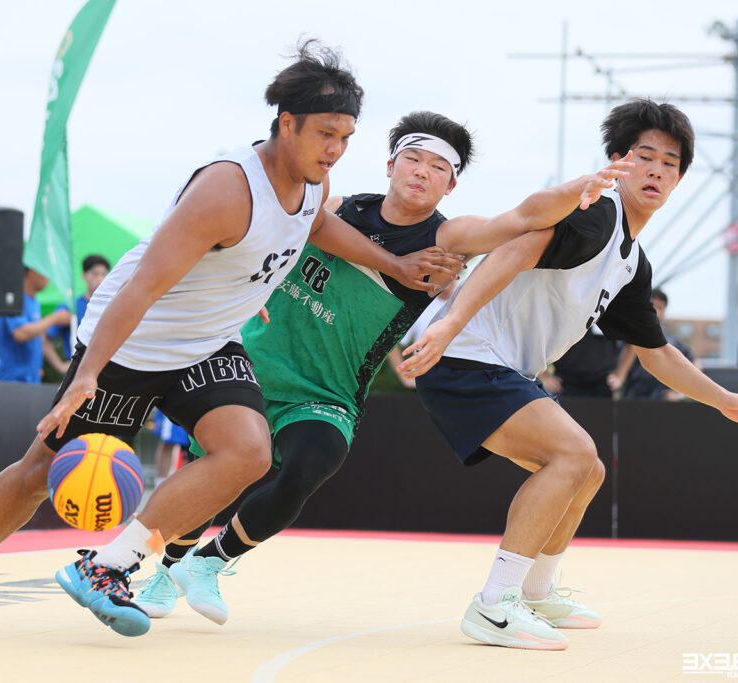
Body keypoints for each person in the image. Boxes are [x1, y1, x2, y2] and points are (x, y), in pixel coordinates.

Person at [0, 40, 462, 636]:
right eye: (326, 134)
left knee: (247, 453)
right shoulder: (226, 190)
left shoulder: (311, 184)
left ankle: (109, 566)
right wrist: (89, 372)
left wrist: (391, 264)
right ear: (286, 123)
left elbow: (317, 225)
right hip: (133, 343)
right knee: (38, 473)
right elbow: (142, 286)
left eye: (346, 138)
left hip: (207, 343)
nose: (335, 150)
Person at [132, 110, 635, 626]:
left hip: (327, 390)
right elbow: (266, 242)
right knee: (211, 473)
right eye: (413, 159)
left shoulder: (447, 239)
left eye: (438, 167)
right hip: (256, 367)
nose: (422, 172)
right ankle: (163, 571)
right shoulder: (337, 208)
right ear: (391, 165)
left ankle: (210, 563)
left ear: (451, 184)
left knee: (313, 463)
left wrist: (579, 188)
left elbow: (522, 218)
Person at [397, 99, 738, 650]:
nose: (656, 171)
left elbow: (656, 353)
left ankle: (535, 593)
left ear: (679, 179)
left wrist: (726, 400)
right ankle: (495, 604)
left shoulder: (631, 259)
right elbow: (518, 245)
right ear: (618, 163)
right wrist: (449, 323)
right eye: (644, 157)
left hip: (499, 365)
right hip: (466, 355)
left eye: (670, 163)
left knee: (589, 472)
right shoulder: (597, 214)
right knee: (573, 454)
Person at [610, 288, 698, 399]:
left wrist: (679, 394)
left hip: (663, 401)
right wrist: (618, 378)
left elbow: (694, 365)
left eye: (660, 307)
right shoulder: (628, 336)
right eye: (653, 306)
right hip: (634, 398)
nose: (656, 311)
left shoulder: (673, 341)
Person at [0, 267, 71, 383]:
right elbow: (20, 333)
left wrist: (58, 365)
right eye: (46, 273)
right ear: (32, 272)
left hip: (32, 380)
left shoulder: (34, 301)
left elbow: (40, 338)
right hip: (12, 380)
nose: (49, 279)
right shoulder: (13, 298)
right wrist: (53, 318)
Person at [46, 254, 111, 363]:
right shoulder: (70, 307)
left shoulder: (112, 306)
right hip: (77, 368)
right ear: (84, 276)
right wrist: (60, 365)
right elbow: (45, 338)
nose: (100, 279)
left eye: (104, 274)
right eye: (95, 274)